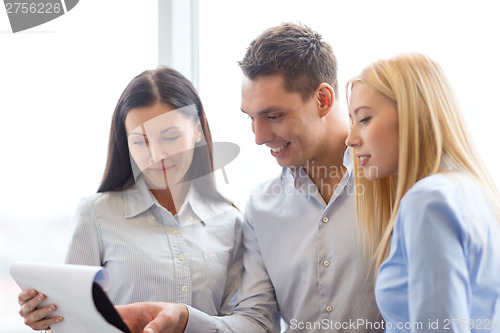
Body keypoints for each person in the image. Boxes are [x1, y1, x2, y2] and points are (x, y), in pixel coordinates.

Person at [110, 23, 382, 333]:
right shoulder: (262, 208)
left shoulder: (394, 182)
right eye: (251, 117)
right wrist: (185, 319)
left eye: (273, 116)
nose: (259, 137)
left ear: (322, 99)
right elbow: (257, 321)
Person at [17, 67, 244, 332]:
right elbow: (74, 323)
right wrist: (50, 320)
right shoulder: (95, 215)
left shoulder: (230, 221)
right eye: (140, 142)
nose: (156, 154)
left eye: (170, 137)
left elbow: (241, 323)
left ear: (196, 129)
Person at [345, 53, 500, 332]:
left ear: (413, 114)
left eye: (364, 119)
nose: (351, 138)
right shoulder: (475, 191)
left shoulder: (427, 200)